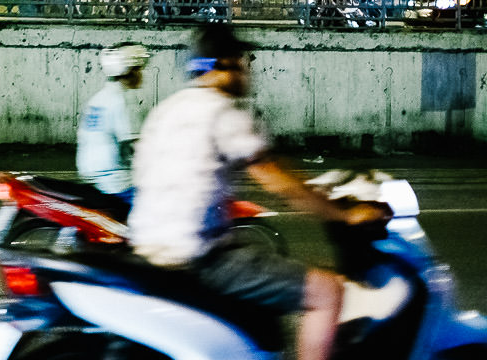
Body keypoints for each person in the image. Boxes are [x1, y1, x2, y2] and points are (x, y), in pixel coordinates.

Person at [126, 23, 407, 360]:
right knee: (326, 290)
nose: (247, 69)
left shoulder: (165, 111)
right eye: (242, 61)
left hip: (148, 249)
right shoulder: (220, 111)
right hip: (199, 258)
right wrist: (343, 213)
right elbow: (272, 177)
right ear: (221, 65)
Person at [76, 41, 148, 205]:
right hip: (117, 182)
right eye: (138, 69)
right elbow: (131, 147)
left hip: (93, 177)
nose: (141, 74)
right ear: (129, 71)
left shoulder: (99, 98)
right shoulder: (123, 100)